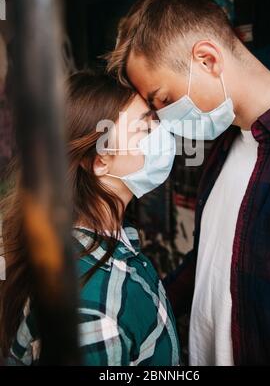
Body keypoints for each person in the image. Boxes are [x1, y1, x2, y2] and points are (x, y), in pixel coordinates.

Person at [105, 0, 270, 365]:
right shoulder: (222, 146)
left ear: (208, 60)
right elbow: (213, 260)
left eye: (162, 99)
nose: (162, 117)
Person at [0, 70, 180, 366]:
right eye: (145, 128)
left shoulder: (107, 244)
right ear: (99, 162)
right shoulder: (94, 314)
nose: (161, 135)